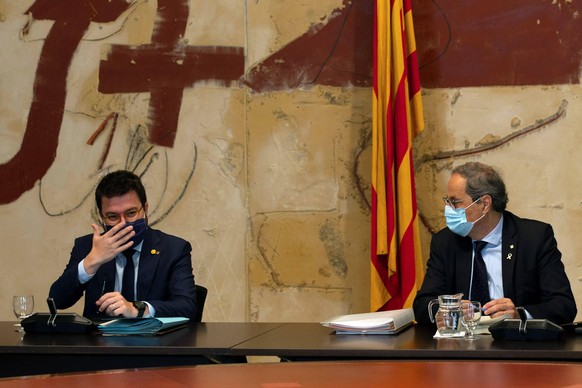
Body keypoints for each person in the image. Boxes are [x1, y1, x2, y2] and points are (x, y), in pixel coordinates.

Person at [413, 162, 577, 325]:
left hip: (516, 345)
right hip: (462, 344)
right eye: (447, 201)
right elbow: (422, 304)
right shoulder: (446, 242)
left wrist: (520, 314)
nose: (448, 208)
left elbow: (563, 306)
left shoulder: (534, 238)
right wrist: (447, 311)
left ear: (485, 204)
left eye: (455, 202)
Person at [49, 170, 198, 320]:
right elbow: (57, 301)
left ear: (145, 209)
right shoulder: (87, 246)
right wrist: (91, 262)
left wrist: (138, 309)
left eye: (131, 213)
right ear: (102, 216)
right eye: (113, 216)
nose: (123, 223)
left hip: (154, 341)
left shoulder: (173, 249)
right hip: (98, 340)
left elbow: (187, 307)